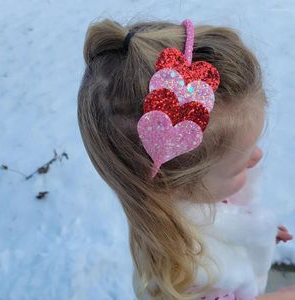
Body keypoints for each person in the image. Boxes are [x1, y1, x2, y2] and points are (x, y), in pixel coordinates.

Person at [77, 18, 294, 300]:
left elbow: (222, 211)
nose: (258, 157)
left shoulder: (180, 192)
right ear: (176, 184)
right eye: (238, 165)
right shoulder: (185, 275)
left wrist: (257, 231)